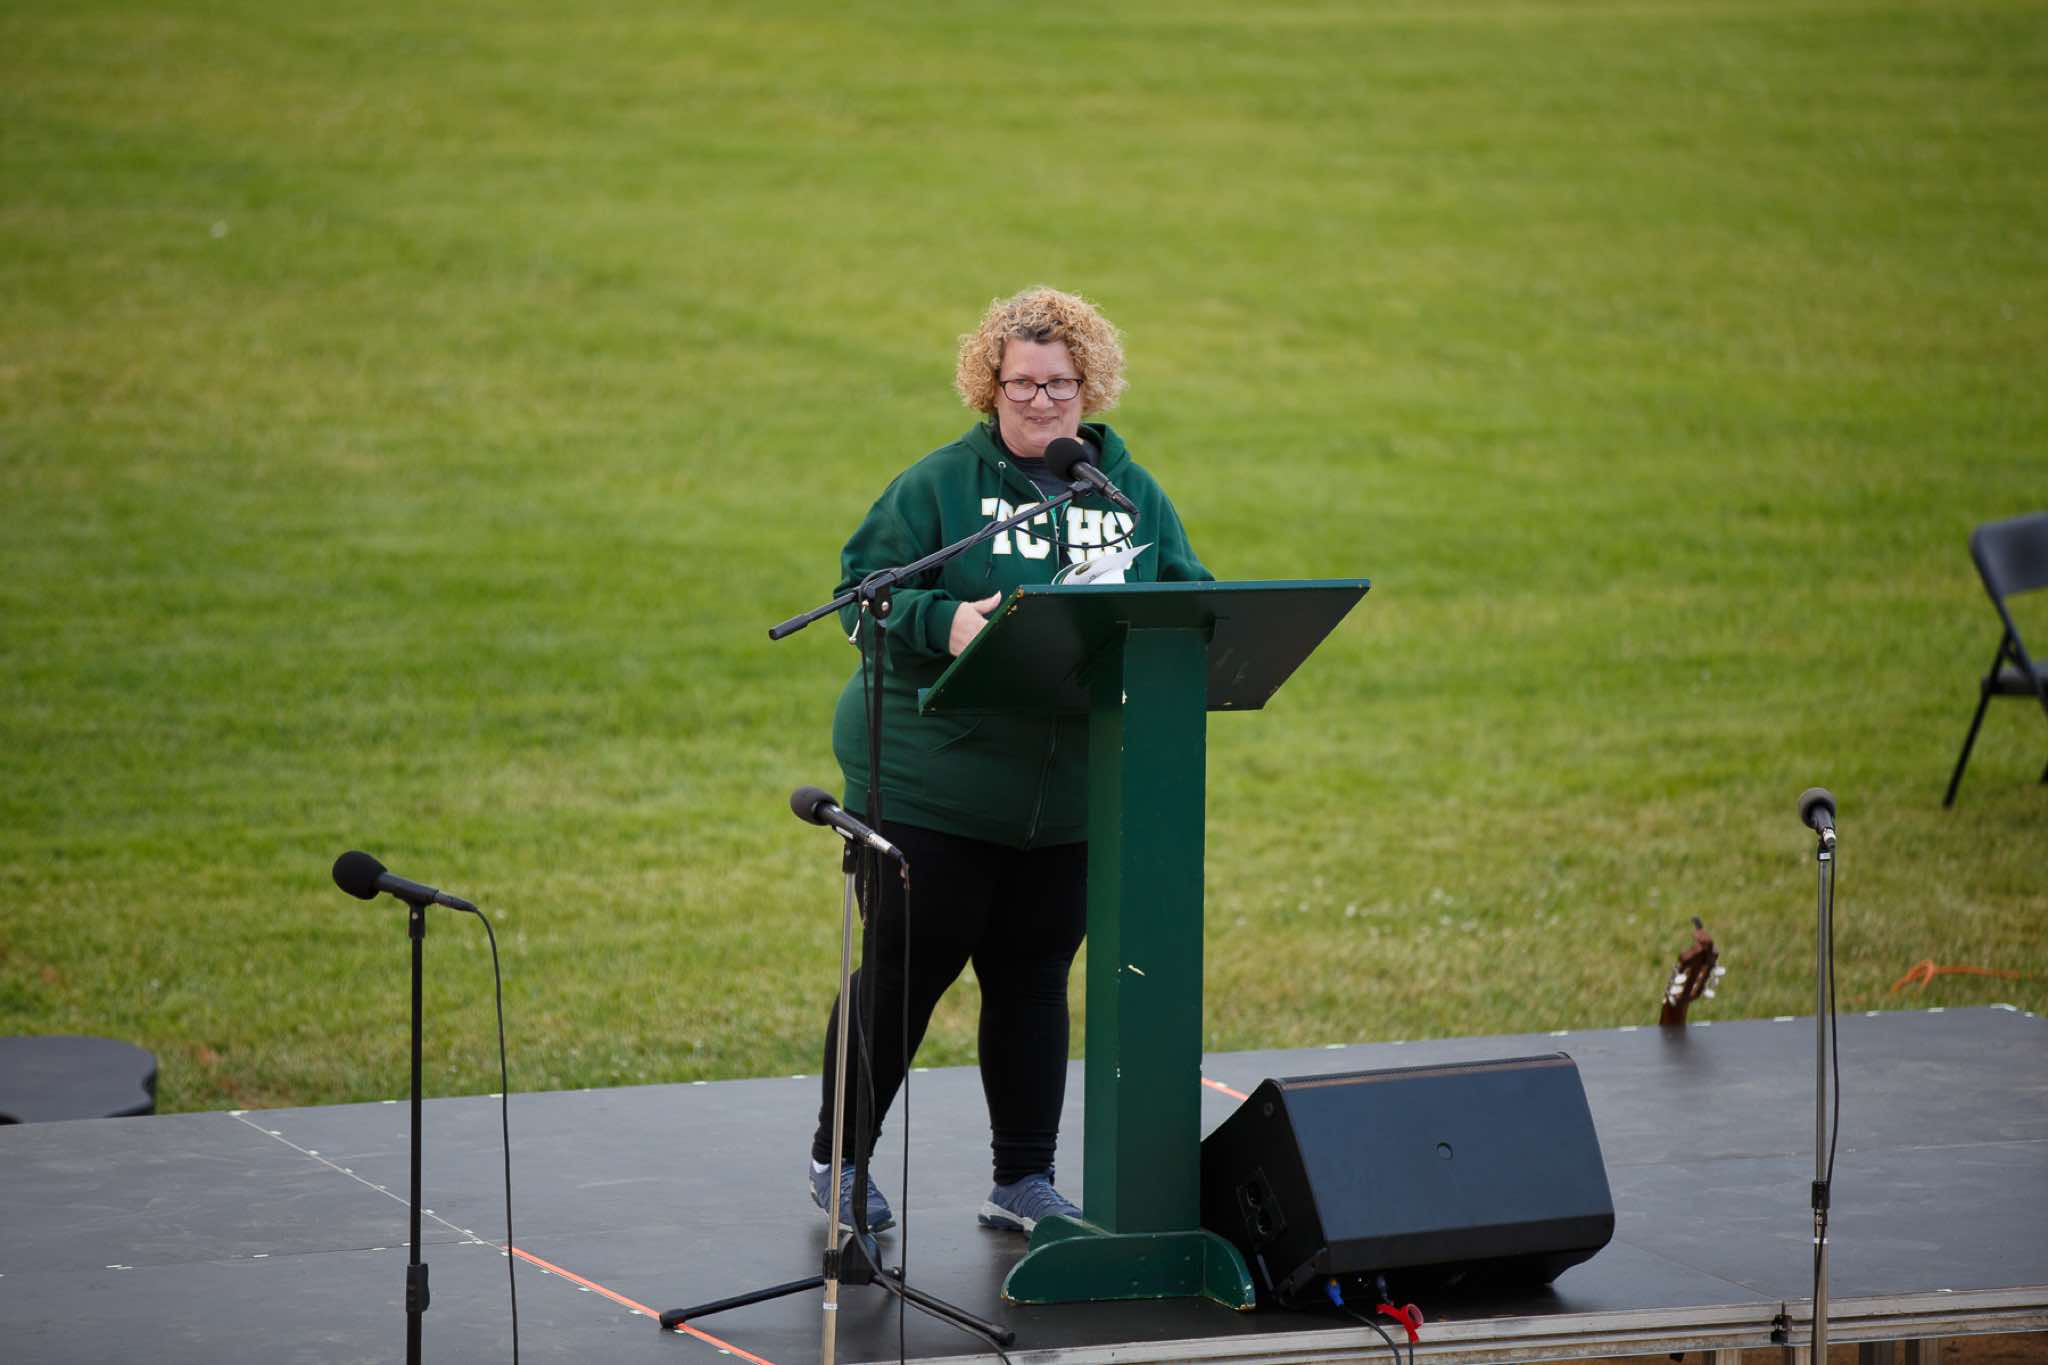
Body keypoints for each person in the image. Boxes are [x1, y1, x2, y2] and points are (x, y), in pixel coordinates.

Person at [808, 286, 1213, 1237]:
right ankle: (841, 1157)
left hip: (1067, 795)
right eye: (1022, 383)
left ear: (1089, 387)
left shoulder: (1126, 492)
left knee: (1034, 977)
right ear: (989, 386)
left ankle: (1022, 1177)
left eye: (1060, 384)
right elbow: (860, 594)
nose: (1041, 401)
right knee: (906, 973)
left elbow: (1190, 597)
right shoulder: (940, 488)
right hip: (933, 785)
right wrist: (944, 619)